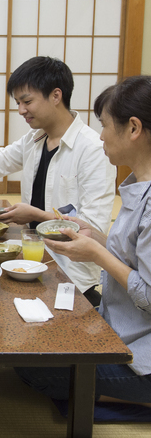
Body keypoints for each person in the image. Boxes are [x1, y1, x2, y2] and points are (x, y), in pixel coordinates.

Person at [0, 56, 116, 305]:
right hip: (32, 263)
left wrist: (36, 214)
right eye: (18, 102)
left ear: (56, 95)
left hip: (71, 277)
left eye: (27, 101)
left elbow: (93, 230)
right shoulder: (35, 139)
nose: (21, 110)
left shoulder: (92, 148)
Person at [16, 75, 151, 408]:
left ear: (133, 128)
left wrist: (96, 253)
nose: (101, 135)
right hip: (117, 324)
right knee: (28, 343)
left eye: (105, 125)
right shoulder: (137, 184)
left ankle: (130, 399)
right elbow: (134, 256)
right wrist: (96, 238)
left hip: (142, 359)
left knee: (32, 368)